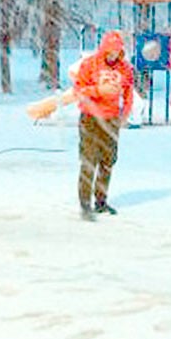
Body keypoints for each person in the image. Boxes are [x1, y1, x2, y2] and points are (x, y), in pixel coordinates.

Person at [72, 30, 134, 221]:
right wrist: (97, 90)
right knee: (89, 161)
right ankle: (84, 204)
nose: (113, 55)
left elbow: (129, 92)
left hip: (111, 119)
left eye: (116, 51)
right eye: (110, 51)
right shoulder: (89, 65)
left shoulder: (124, 69)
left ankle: (101, 201)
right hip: (90, 118)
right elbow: (78, 90)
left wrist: (125, 113)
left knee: (107, 162)